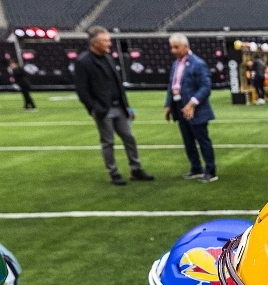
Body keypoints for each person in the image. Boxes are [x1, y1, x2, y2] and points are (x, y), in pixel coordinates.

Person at [74, 26, 154, 185]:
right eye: (106, 41)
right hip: (104, 110)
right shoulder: (83, 62)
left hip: (119, 107)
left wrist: (127, 107)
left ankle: (135, 169)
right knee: (108, 142)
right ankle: (113, 172)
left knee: (129, 137)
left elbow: (118, 85)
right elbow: (82, 90)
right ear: (95, 43)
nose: (109, 44)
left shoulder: (108, 58)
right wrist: (93, 108)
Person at [164, 32, 218, 183]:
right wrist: (168, 105)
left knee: (202, 140)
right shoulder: (175, 64)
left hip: (196, 109)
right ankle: (196, 168)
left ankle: (210, 170)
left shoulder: (198, 63)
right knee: (188, 140)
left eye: (176, 47)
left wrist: (192, 103)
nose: (173, 50)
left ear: (186, 46)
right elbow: (172, 85)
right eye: (171, 47)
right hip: (179, 108)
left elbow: (206, 87)